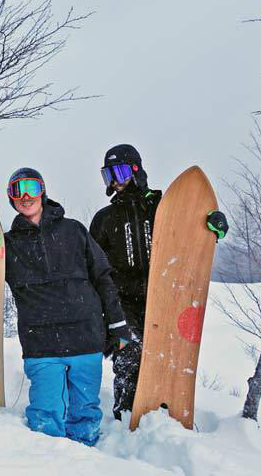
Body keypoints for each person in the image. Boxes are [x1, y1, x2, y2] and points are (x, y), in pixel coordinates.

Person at [0, 167, 129, 446]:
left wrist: (117, 322)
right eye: (18, 190)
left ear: (43, 191)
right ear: (11, 198)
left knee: (85, 415)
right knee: (45, 418)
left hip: (85, 337)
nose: (26, 196)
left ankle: (87, 463)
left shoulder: (74, 230)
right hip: (41, 344)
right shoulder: (7, 245)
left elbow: (102, 277)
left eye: (32, 188)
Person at [89, 144, 228, 421]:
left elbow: (199, 232)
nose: (116, 181)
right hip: (123, 304)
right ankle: (127, 416)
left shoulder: (163, 207)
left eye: (120, 171)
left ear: (136, 169)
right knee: (131, 354)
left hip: (164, 297)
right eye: (109, 175)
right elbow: (94, 267)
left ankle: (165, 416)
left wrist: (215, 224)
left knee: (164, 359)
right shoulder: (104, 220)